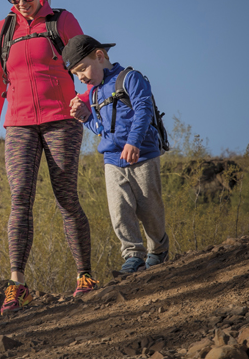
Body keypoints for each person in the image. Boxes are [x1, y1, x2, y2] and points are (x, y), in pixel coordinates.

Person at [0, 0, 97, 315]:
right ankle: (17, 285)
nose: (21, 4)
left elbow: (90, 65)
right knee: (20, 199)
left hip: (61, 119)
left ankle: (85, 277)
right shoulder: (3, 29)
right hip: (17, 125)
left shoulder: (61, 21)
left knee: (65, 196)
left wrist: (85, 102)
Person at [64, 34, 170, 275]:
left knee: (149, 207)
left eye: (82, 69)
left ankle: (158, 250)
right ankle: (133, 254)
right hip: (112, 159)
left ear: (100, 56)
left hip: (143, 153)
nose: (81, 77)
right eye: (76, 74)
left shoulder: (130, 78)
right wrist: (84, 117)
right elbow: (101, 130)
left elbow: (144, 109)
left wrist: (133, 142)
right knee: (119, 210)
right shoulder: (93, 94)